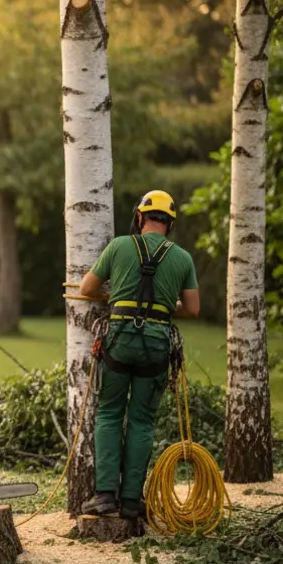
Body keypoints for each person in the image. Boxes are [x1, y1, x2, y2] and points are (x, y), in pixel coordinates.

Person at [75, 190, 200, 520]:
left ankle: (104, 496)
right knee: (142, 420)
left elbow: (87, 289)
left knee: (110, 413)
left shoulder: (118, 246)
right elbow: (193, 309)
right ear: (169, 224)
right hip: (157, 344)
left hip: (120, 339)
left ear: (140, 217)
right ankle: (131, 501)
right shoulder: (183, 258)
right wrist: (164, 304)